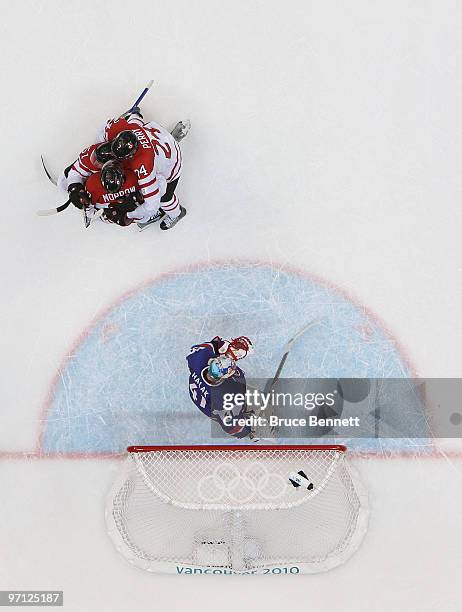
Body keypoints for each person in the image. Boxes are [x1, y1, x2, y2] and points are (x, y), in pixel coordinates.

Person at [57, 108, 190, 230]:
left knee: (165, 198)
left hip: (171, 162)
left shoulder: (143, 166)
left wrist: (130, 212)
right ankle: (169, 139)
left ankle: (177, 213)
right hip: (157, 136)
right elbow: (128, 123)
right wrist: (74, 186)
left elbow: (153, 203)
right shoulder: (119, 129)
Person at [186, 336, 254, 439]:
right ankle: (252, 427)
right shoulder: (223, 398)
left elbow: (195, 349)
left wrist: (219, 346)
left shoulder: (199, 360)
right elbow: (233, 429)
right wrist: (248, 428)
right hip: (212, 406)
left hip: (197, 388)